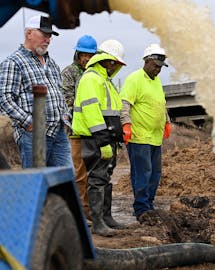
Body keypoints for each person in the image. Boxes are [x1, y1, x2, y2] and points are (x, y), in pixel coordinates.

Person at [0, 15, 72, 168]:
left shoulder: (51, 63)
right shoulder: (13, 62)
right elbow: (4, 99)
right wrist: (29, 122)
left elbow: (59, 93)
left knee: (66, 183)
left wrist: (65, 116)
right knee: (37, 183)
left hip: (58, 133)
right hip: (33, 136)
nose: (48, 39)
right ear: (29, 33)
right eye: (44, 35)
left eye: (50, 36)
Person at [72, 39, 126, 236]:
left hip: (107, 137)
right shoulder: (91, 78)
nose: (115, 67)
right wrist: (103, 140)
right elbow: (91, 111)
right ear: (107, 60)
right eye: (114, 63)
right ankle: (97, 223)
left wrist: (117, 137)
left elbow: (113, 111)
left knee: (106, 176)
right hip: (95, 138)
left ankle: (106, 217)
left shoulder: (106, 81)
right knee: (96, 178)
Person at [120, 43, 171, 224]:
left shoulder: (156, 82)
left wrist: (166, 122)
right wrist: (126, 124)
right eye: (155, 66)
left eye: (160, 67)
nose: (158, 70)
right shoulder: (134, 79)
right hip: (139, 136)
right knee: (142, 173)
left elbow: (161, 104)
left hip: (155, 138)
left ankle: (149, 205)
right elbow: (124, 103)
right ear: (147, 61)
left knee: (155, 174)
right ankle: (141, 209)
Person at [61, 35, 98, 219]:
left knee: (94, 175)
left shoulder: (96, 74)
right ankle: (81, 214)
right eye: (84, 55)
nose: (87, 59)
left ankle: (92, 212)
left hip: (94, 131)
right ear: (78, 54)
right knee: (79, 174)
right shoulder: (69, 72)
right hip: (76, 132)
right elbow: (66, 99)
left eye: (90, 55)